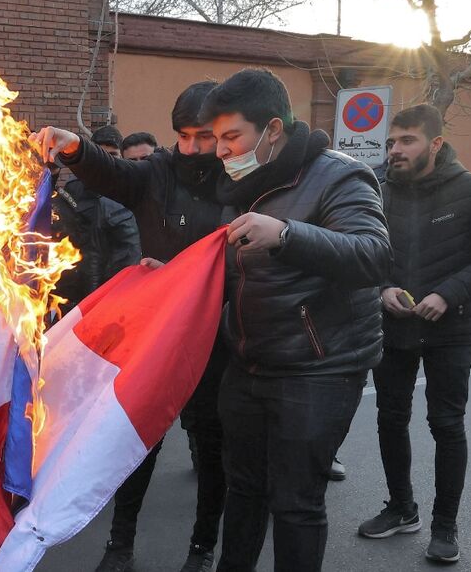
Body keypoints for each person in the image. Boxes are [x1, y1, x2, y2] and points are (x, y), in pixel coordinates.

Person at [194, 68, 389, 571]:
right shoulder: (239, 184)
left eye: (232, 136)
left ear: (274, 130)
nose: (221, 150)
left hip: (318, 368)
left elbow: (372, 255)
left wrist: (286, 234)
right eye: (217, 139)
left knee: (296, 503)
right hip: (248, 363)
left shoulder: (340, 174)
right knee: (244, 491)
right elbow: (228, 267)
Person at [32, 81, 228, 572]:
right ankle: (119, 545)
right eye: (182, 135)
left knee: (212, 448)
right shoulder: (158, 172)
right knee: (133, 445)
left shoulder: (240, 179)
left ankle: (202, 548)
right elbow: (112, 172)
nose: (192, 148)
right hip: (153, 338)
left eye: (204, 136)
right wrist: (73, 145)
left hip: (215, 339)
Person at [358, 104, 471, 564]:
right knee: (391, 418)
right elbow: (367, 255)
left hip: (452, 327)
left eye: (406, 141)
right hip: (395, 326)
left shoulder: (469, 190)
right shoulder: (380, 192)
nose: (394, 150)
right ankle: (402, 508)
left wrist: (448, 293)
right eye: (391, 142)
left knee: (446, 425)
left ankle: (445, 527)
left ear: (436, 144)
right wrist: (381, 288)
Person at [52, 125, 141, 313]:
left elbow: (129, 255)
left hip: (113, 300)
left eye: (113, 154)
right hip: (73, 303)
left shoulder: (133, 193)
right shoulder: (71, 192)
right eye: (100, 153)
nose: (106, 160)